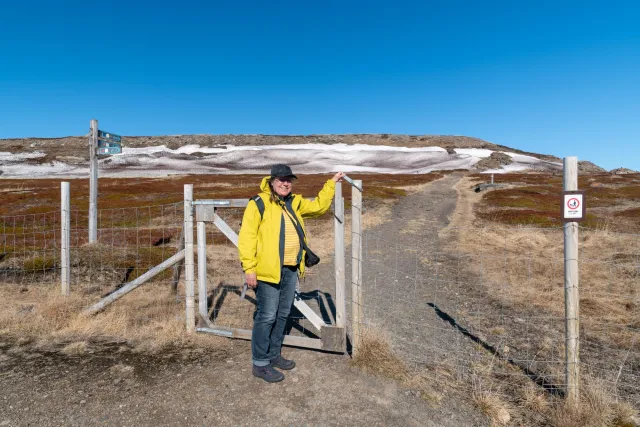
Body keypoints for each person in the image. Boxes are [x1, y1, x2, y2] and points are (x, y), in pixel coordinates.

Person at [238, 164, 345, 383]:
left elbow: (319, 207)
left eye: (289, 180)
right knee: (266, 316)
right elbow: (247, 237)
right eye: (281, 179)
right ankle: (260, 363)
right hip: (267, 271)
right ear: (271, 181)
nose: (285, 183)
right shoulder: (258, 203)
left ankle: (273, 355)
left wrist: (331, 184)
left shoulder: (295, 202)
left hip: (291, 269)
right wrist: (249, 268)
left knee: (282, 314)